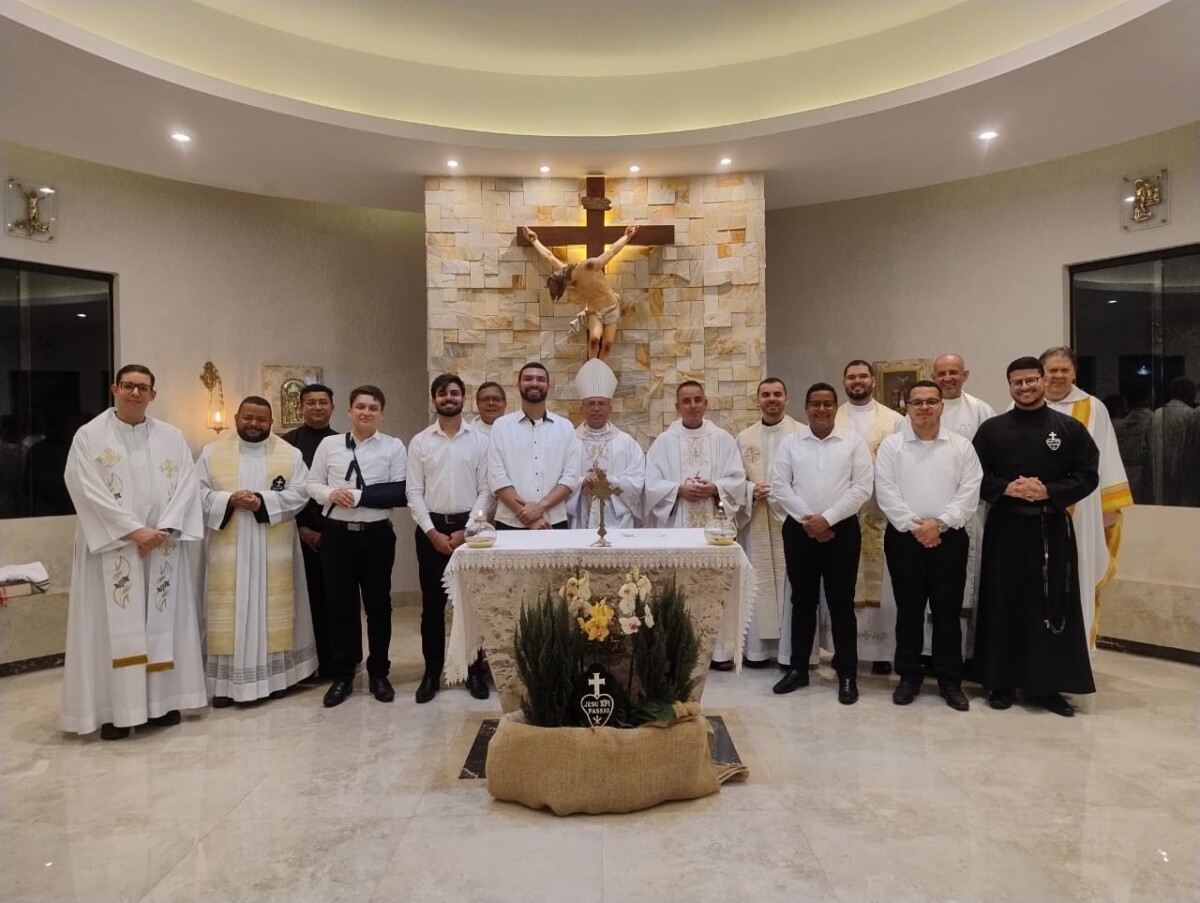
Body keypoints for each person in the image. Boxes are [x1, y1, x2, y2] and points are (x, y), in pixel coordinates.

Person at [59, 365, 207, 739]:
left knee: (161, 624)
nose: (135, 393)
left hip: (161, 548)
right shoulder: (90, 436)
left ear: (153, 394)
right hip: (111, 547)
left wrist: (163, 530)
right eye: (128, 386)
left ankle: (161, 704)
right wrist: (134, 531)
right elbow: (84, 487)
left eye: (143, 388)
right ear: (115, 389)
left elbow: (187, 485)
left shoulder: (171, 436)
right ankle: (115, 710)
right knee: (107, 629)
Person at [971, 357, 1099, 716]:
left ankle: (1046, 686)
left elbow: (1088, 475)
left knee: (1049, 605)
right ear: (1009, 386)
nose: (1025, 387)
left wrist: (1049, 491)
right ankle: (1000, 682)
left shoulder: (1068, 429)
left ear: (1042, 381)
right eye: (1018, 382)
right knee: (1003, 602)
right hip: (1005, 528)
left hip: (1050, 528)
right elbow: (972, 476)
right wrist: (1006, 487)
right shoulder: (992, 430)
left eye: (1031, 380)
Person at [197, 396, 316, 705]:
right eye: (248, 418)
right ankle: (224, 685)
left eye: (261, 419)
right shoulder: (211, 452)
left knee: (271, 610)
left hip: (271, 547)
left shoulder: (289, 454)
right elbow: (196, 491)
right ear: (236, 417)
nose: (254, 424)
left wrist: (262, 502)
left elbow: (302, 492)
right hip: (228, 546)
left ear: (271, 422)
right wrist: (229, 500)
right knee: (229, 613)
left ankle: (275, 679)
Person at [874, 381, 982, 711]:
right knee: (909, 610)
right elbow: (885, 492)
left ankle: (950, 680)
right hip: (905, 539)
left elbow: (970, 491)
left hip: (949, 538)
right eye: (917, 402)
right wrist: (915, 526)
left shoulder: (961, 447)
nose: (924, 408)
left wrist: (941, 524)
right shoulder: (892, 447)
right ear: (907, 407)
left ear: (941, 406)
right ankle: (909, 676)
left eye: (931, 402)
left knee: (947, 612)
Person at [306, 385, 408, 707]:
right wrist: (330, 494)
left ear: (382, 414)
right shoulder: (329, 445)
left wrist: (358, 496)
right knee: (339, 606)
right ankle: (343, 675)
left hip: (376, 536)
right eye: (360, 407)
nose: (366, 412)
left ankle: (379, 672)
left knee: (378, 606)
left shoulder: (393, 446)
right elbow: (311, 483)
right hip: (336, 536)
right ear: (349, 411)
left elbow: (399, 492)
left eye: (373, 408)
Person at [772, 383, 874, 703]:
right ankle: (798, 669)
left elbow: (862, 488)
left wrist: (827, 520)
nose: (821, 409)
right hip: (799, 530)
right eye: (815, 404)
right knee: (802, 602)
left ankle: (847, 673)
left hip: (841, 532)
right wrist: (811, 522)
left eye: (828, 404)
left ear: (835, 407)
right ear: (806, 408)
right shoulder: (791, 443)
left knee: (841, 604)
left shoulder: (853, 442)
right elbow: (780, 485)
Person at [645, 381, 747, 669]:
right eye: (686, 401)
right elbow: (650, 484)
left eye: (697, 400)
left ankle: (718, 652)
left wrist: (715, 488)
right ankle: (678, 651)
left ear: (706, 403)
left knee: (714, 585)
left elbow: (737, 478)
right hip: (677, 527)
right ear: (677, 406)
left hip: (714, 528)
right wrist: (677, 490)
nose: (692, 406)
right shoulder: (664, 441)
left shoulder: (723, 439)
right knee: (679, 586)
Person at [1041, 347, 1133, 650]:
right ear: (1042, 373)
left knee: (1078, 577)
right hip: (1035, 512)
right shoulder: (1024, 405)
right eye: (1052, 370)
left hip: (1083, 511)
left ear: (1074, 373)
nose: (1057, 376)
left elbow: (1106, 458)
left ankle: (1077, 654)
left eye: (1064, 370)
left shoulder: (1093, 408)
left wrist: (1109, 508)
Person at [407, 374, 491, 704]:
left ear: (463, 398)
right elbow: (414, 492)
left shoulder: (479, 440)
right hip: (431, 530)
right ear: (435, 399)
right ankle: (432, 672)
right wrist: (432, 532)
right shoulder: (420, 442)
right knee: (432, 607)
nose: (449, 398)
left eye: (454, 393)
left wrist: (467, 531)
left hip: (470, 531)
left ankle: (473, 671)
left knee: (472, 605)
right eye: (442, 394)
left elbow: (486, 490)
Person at [734, 378, 812, 670]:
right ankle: (757, 652)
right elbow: (734, 479)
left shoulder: (802, 434)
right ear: (758, 400)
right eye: (766, 394)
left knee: (793, 586)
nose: (772, 399)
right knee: (757, 582)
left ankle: (791, 654)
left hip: (791, 522)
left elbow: (809, 480)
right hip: (755, 518)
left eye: (777, 394)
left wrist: (779, 495)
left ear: (786, 399)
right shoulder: (744, 438)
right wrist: (749, 490)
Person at [835, 360, 902, 675]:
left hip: (881, 511)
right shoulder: (833, 418)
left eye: (863, 376)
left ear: (873, 380)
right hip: (844, 513)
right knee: (843, 582)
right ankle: (843, 650)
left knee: (883, 581)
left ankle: (882, 652)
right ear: (844, 382)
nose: (857, 381)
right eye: (851, 377)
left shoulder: (895, 420)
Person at [929, 353, 996, 659]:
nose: (947, 378)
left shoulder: (982, 411)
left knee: (966, 583)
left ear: (965, 375)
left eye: (953, 372)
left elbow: (991, 461)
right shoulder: (920, 410)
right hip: (928, 514)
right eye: (941, 373)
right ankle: (929, 653)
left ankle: (967, 654)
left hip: (969, 512)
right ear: (934, 376)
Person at [282, 384, 341, 680]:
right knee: (306, 600)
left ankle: (338, 661)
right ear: (301, 407)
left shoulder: (342, 443)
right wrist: (302, 527)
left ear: (332, 407)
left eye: (322, 402)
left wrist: (328, 531)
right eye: (310, 403)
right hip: (296, 532)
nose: (317, 407)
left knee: (336, 599)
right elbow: (283, 489)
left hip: (335, 532)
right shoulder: (286, 444)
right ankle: (306, 664)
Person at [521, 224, 639, 361]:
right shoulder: (565, 273)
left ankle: (601, 370)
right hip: (594, 310)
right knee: (594, 340)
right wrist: (534, 240)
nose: (568, 288)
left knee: (607, 345)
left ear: (564, 282)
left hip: (611, 307)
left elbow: (611, 251)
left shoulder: (588, 266)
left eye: (565, 287)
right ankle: (592, 366)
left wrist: (627, 237)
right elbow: (549, 256)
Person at [488, 362, 581, 529]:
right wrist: (527, 516)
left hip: (553, 520)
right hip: (510, 521)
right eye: (528, 379)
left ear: (548, 386)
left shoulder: (565, 427)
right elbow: (497, 477)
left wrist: (540, 507)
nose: (534, 383)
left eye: (540, 379)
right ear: (518, 385)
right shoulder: (501, 426)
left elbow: (570, 477)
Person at [567, 358, 645, 529]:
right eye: (591, 404)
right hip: (581, 516)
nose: (596, 408)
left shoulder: (626, 443)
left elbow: (637, 481)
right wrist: (582, 481)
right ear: (582, 408)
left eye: (601, 404)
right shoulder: (569, 441)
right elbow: (558, 478)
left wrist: (608, 480)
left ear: (610, 408)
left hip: (618, 521)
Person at [1146, 377, 1196, 506]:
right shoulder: (1191, 415)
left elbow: (1150, 450)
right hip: (1183, 477)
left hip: (1159, 475)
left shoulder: (1157, 414)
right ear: (1188, 393)